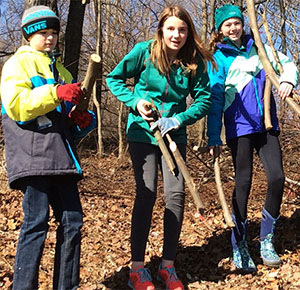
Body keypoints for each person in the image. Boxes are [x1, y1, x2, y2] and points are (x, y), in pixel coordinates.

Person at [106, 5, 215, 290]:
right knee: (147, 193)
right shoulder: (144, 52)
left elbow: (204, 100)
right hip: (142, 132)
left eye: (182, 29)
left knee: (176, 195)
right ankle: (137, 269)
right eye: (171, 29)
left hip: (173, 136)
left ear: (188, 32)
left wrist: (178, 119)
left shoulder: (193, 61)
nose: (176, 35)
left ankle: (168, 266)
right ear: (161, 30)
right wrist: (136, 102)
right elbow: (114, 79)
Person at [0, 5, 96, 289]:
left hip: (62, 158)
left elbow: (67, 121)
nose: (50, 38)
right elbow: (17, 106)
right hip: (34, 156)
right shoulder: (17, 64)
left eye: (54, 32)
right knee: (36, 222)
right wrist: (54, 92)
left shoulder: (61, 70)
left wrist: (81, 120)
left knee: (73, 222)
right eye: (43, 33)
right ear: (29, 36)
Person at [207, 4, 299, 272]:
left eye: (237, 22)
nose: (233, 28)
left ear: (242, 24)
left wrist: (288, 81)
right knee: (243, 183)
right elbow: (214, 100)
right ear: (220, 29)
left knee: (277, 177)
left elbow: (288, 64)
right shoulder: (218, 58)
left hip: (267, 124)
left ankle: (266, 240)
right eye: (228, 25)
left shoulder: (259, 46)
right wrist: (215, 137)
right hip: (239, 128)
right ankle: (240, 245)